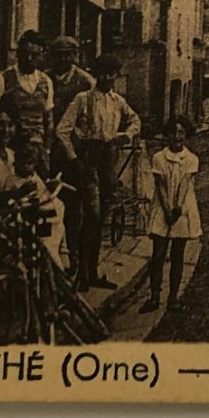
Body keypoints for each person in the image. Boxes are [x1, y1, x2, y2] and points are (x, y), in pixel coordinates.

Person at [57, 54, 141, 290]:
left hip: (108, 161)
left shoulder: (117, 101)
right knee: (91, 216)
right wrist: (74, 159)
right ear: (96, 74)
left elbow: (135, 121)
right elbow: (61, 130)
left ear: (116, 75)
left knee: (102, 216)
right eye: (102, 73)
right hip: (88, 161)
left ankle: (92, 273)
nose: (106, 77)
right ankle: (82, 273)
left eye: (111, 73)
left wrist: (125, 135)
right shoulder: (83, 99)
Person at [141, 117, 201, 313]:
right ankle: (154, 296)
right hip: (163, 207)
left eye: (181, 133)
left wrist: (177, 208)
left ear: (186, 135)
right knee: (158, 255)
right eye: (173, 133)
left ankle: (173, 297)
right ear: (166, 136)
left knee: (178, 255)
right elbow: (160, 185)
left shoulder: (191, 159)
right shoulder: (159, 157)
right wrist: (167, 209)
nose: (177, 137)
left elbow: (184, 184)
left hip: (182, 208)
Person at [44, 36, 94, 267]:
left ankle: (74, 255)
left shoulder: (85, 82)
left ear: (75, 55)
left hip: (73, 154)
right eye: (59, 55)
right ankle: (51, 256)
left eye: (68, 54)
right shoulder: (45, 79)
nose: (63, 59)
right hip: (48, 153)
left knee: (74, 206)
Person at [0, 31, 54, 163]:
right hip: (11, 153)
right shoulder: (1, 80)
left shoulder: (46, 82)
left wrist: (47, 150)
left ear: (42, 56)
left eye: (35, 55)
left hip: (36, 154)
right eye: (25, 54)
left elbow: (48, 121)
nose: (29, 59)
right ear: (18, 54)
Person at [12, 136, 67, 266]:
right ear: (15, 164)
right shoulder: (14, 180)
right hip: (32, 216)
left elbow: (43, 195)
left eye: (29, 163)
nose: (26, 167)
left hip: (47, 215)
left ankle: (60, 266)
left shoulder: (34, 178)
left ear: (34, 165)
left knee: (51, 244)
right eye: (22, 163)